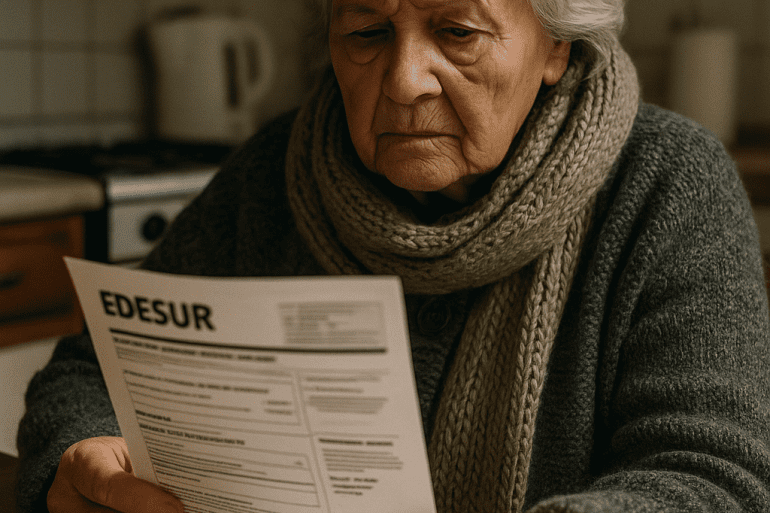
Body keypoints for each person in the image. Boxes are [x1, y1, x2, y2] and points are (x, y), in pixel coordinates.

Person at [16, 0, 770, 511]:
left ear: (555, 46)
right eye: (368, 32)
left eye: (458, 31)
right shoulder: (274, 174)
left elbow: (714, 479)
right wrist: (81, 450)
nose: (406, 81)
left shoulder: (669, 184)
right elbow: (91, 369)